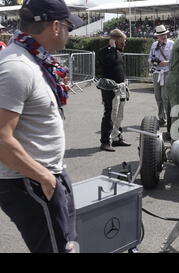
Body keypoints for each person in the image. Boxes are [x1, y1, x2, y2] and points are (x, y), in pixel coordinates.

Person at [0, 0, 83, 253]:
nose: (70, 33)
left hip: (43, 175)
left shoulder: (31, 59)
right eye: (69, 27)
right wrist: (44, 176)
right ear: (56, 26)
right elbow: (1, 139)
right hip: (30, 180)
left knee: (65, 244)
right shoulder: (17, 67)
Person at [97, 29, 131, 152]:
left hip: (120, 87)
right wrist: (111, 48)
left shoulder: (117, 52)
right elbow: (108, 62)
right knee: (109, 114)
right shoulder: (104, 52)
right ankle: (105, 141)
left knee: (119, 115)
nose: (124, 45)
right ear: (114, 41)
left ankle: (116, 137)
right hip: (109, 88)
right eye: (122, 42)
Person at [148, 25, 174, 126]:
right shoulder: (154, 45)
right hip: (156, 73)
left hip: (167, 72)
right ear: (157, 37)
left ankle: (170, 118)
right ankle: (161, 118)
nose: (163, 36)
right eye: (160, 35)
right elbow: (149, 58)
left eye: (164, 34)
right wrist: (153, 61)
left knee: (165, 97)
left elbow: (174, 60)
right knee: (157, 97)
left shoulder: (172, 44)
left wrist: (165, 63)